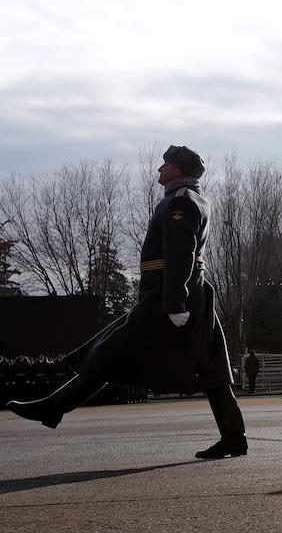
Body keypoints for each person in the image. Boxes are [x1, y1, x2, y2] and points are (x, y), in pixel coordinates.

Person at [6, 146, 247, 458]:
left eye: (166, 164)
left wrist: (175, 303)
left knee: (111, 351)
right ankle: (234, 437)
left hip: (169, 295)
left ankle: (53, 407)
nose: (160, 169)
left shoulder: (182, 201)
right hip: (189, 293)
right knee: (211, 369)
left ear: (177, 169)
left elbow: (180, 254)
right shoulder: (190, 198)